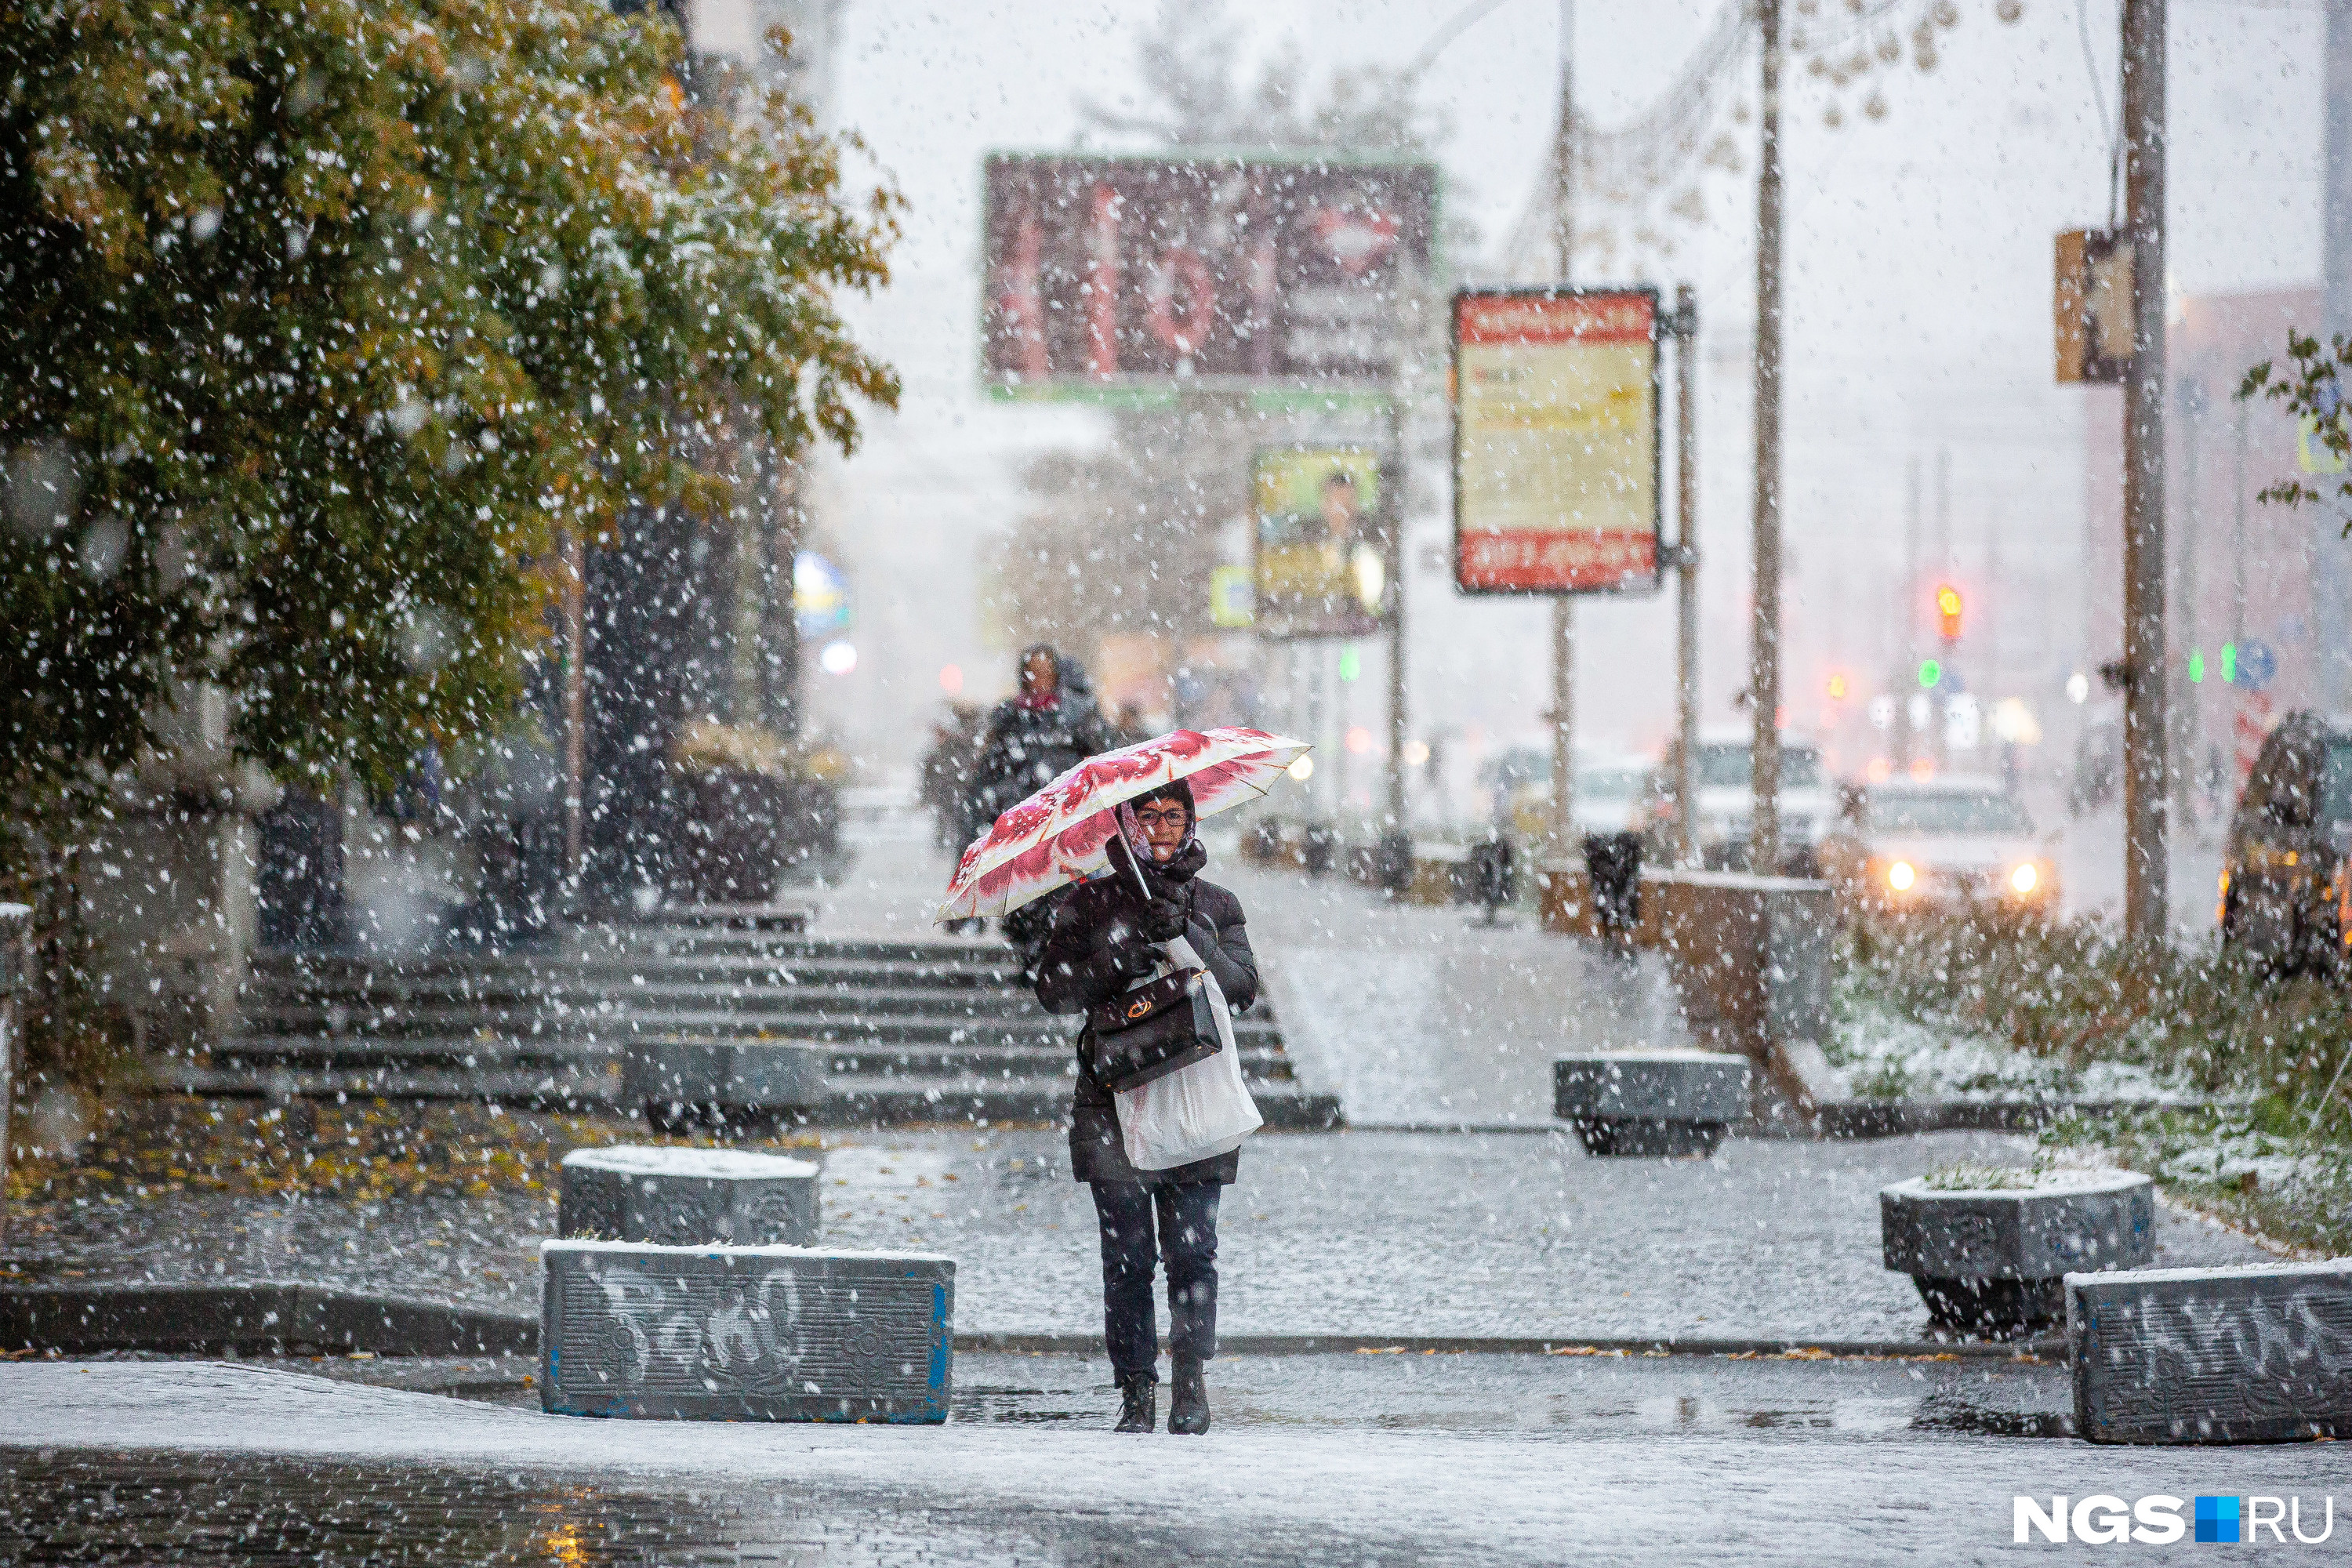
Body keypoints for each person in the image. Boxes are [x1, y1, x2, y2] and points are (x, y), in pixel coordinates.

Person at [1033, 778, 1258, 1436]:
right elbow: (1053, 990)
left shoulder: (1217, 902)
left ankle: (1191, 1379)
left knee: (1193, 1252)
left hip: (1196, 1094)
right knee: (1128, 1255)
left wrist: (1189, 932)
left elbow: (1242, 987)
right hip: (1114, 1098)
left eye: (1174, 815)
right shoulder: (1091, 901)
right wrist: (1113, 958)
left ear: (1191, 821)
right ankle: (1136, 1388)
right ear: (1126, 824)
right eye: (1148, 815)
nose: (1161, 828)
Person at [968, 644, 1118, 959]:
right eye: (1033, 671)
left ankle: (1059, 952)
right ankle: (1030, 950)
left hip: (1067, 816)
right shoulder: (1009, 717)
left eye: (1046, 671)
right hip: (1022, 820)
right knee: (1024, 891)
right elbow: (989, 768)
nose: (1039, 678)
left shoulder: (1077, 714)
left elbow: (1103, 756)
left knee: (1069, 886)